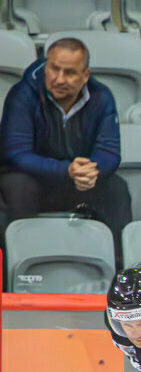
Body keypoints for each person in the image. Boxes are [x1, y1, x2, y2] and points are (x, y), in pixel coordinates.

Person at [0, 37, 131, 242]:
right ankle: (12, 264)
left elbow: (110, 153)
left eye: (69, 72)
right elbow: (16, 154)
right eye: (54, 69)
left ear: (85, 75)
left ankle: (116, 266)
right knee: (17, 186)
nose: (59, 79)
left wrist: (90, 170)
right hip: (33, 179)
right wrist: (66, 170)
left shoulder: (102, 97)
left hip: (77, 182)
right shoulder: (23, 94)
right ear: (46, 68)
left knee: (116, 188)